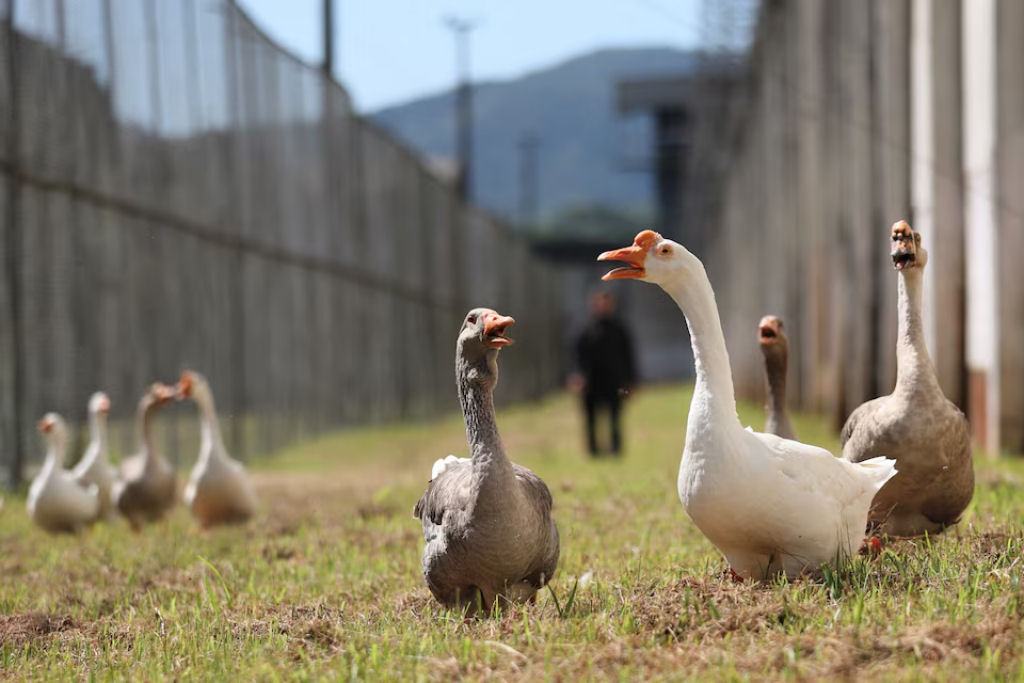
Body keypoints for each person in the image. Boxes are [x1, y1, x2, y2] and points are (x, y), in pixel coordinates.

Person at [572, 291, 637, 456]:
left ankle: (616, 450)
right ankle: (593, 452)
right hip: (591, 382)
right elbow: (576, 357)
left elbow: (629, 356)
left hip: (614, 382)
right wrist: (577, 377)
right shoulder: (584, 330)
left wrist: (632, 380)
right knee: (591, 420)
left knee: (615, 418)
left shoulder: (620, 330)